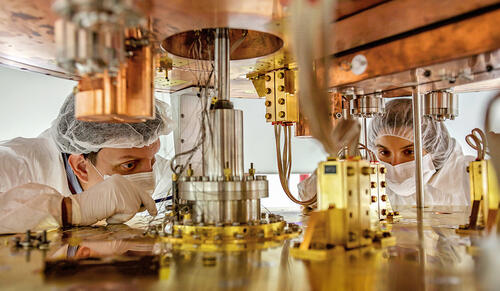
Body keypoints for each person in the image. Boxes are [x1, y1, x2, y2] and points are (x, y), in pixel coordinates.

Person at [0, 93, 174, 234]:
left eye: (153, 159)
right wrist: (72, 210)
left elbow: (182, 175)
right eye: (129, 165)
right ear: (81, 167)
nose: (149, 177)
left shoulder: (141, 161)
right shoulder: (15, 164)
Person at [298, 98, 473, 209]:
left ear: (433, 146)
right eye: (384, 152)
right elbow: (308, 196)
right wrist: (340, 170)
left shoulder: (468, 176)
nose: (395, 165)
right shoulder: (371, 173)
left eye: (409, 152)